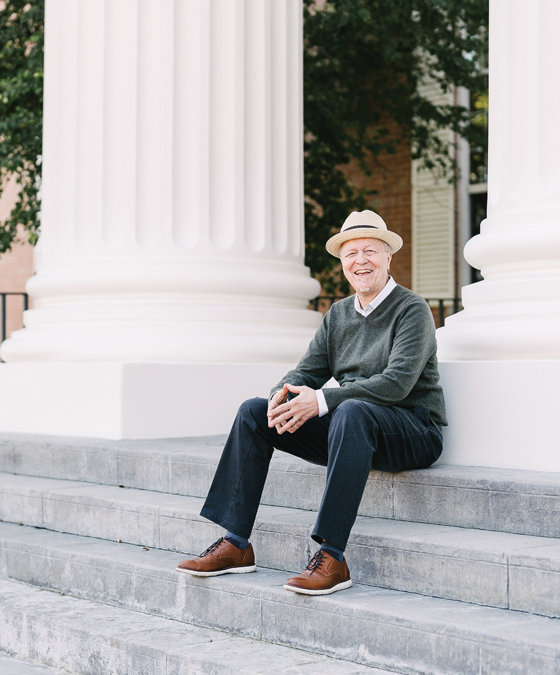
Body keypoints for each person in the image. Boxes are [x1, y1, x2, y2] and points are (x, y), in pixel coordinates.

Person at [176, 209, 447, 595]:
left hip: (411, 429)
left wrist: (320, 401)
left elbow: (396, 384)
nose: (360, 261)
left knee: (351, 411)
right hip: (352, 429)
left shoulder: (412, 309)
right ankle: (235, 544)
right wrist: (281, 395)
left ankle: (332, 556)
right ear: (342, 263)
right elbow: (306, 372)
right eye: (351, 254)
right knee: (253, 412)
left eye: (370, 251)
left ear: (388, 256)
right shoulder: (337, 314)